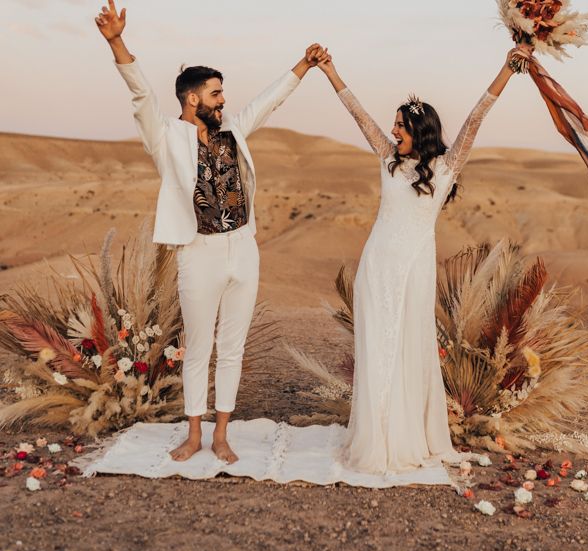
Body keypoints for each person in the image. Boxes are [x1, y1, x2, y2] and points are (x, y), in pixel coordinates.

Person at [94, 1, 328, 463]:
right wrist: (117, 41)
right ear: (192, 99)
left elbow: (268, 100)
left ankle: (223, 434)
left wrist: (304, 65)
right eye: (217, 93)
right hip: (197, 252)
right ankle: (195, 433)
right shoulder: (166, 139)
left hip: (243, 249)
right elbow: (141, 95)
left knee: (232, 347)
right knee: (198, 347)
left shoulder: (233, 132)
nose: (224, 100)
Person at [316, 46, 532, 474]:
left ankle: (405, 433)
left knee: (408, 349)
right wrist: (330, 71)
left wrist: (506, 69)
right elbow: (359, 116)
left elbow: (475, 119)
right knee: (377, 348)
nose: (393, 130)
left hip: (414, 270)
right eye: (394, 124)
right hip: (377, 267)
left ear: (419, 128)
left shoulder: (446, 167)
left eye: (400, 125)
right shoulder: (388, 160)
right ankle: (376, 434)